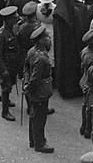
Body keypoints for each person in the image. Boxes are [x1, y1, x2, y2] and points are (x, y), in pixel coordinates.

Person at [24, 25, 55, 153]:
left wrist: (26, 83)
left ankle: (33, 140)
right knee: (40, 118)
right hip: (40, 90)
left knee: (34, 115)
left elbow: (25, 67)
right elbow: (36, 78)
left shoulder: (32, 51)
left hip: (34, 90)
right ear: (41, 40)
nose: (49, 39)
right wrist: (29, 86)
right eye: (47, 37)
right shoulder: (41, 58)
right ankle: (40, 143)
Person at [0, 5, 21, 121]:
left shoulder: (12, 29)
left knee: (11, 82)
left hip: (13, 62)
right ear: (7, 20)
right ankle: (5, 111)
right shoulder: (1, 35)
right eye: (14, 18)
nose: (16, 19)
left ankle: (5, 99)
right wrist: (3, 70)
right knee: (6, 86)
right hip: (6, 64)